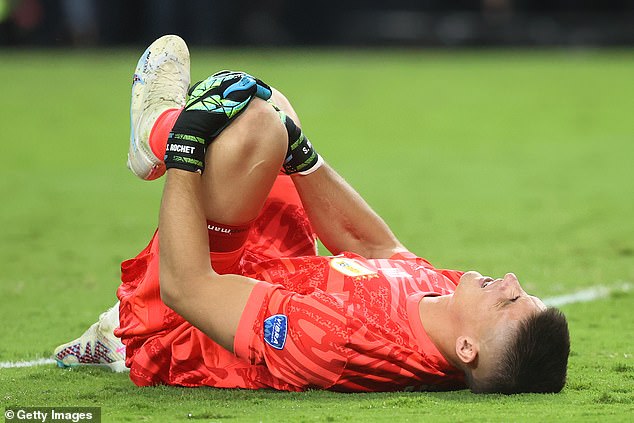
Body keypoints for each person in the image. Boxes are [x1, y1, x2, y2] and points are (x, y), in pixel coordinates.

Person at [54, 35, 570, 394]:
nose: (510, 280)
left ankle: (156, 134)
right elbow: (374, 249)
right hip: (265, 275)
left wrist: (187, 151)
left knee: (256, 129)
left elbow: (187, 288)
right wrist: (304, 158)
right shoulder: (448, 305)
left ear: (467, 349)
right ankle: (170, 137)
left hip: (180, 321)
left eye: (511, 302)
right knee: (276, 113)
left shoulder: (338, 341)